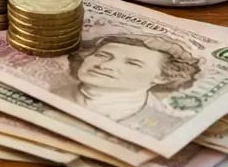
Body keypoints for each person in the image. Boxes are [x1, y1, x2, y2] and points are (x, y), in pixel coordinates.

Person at [54, 34, 201, 138]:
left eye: (132, 63)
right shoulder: (55, 93)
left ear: (163, 77)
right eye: (102, 55)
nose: (104, 66)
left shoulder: (168, 124)